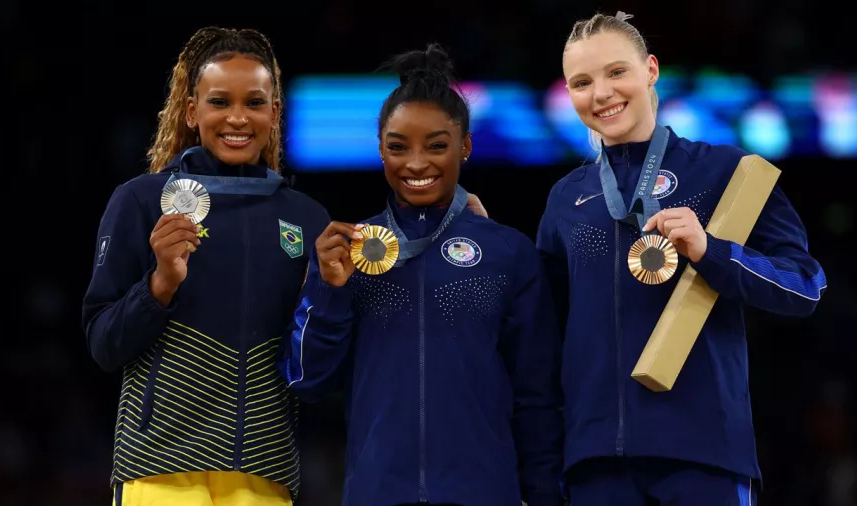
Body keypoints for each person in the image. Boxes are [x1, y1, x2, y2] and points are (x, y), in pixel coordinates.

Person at [536, 11, 828, 506]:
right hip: (595, 465)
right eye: (581, 82)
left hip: (704, 454)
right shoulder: (567, 198)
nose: (601, 93)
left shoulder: (727, 171)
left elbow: (805, 286)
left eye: (616, 72)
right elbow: (542, 332)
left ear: (650, 70)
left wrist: (712, 252)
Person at [278, 44, 565, 506]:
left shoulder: (508, 253)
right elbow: (308, 382)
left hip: (485, 494)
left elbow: (537, 398)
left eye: (436, 145)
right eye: (398, 147)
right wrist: (328, 291)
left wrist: (545, 495)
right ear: (380, 150)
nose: (415, 164)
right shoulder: (346, 253)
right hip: (377, 493)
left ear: (465, 146)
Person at [81, 27, 332, 506]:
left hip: (265, 468)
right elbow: (102, 344)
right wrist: (159, 285)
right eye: (220, 102)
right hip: (160, 466)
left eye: (254, 103)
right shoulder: (141, 200)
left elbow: (313, 367)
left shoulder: (306, 217)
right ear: (192, 111)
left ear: (274, 114)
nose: (237, 118)